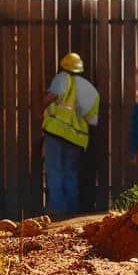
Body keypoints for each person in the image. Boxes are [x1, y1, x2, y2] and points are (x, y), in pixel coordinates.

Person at [41, 52, 100, 215]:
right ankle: (72, 212)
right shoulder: (91, 90)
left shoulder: (62, 79)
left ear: (64, 65)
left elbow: (48, 99)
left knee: (54, 171)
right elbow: (93, 120)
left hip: (56, 133)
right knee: (71, 174)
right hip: (76, 139)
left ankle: (57, 211)